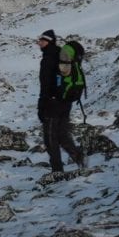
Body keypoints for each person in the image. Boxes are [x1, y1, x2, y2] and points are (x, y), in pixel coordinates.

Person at [37, 29, 86, 173]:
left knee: (50, 138)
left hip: (53, 102)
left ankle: (57, 171)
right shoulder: (60, 55)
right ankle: (79, 157)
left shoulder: (48, 59)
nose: (39, 43)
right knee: (62, 134)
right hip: (66, 100)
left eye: (42, 40)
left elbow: (45, 84)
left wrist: (41, 104)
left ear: (49, 42)